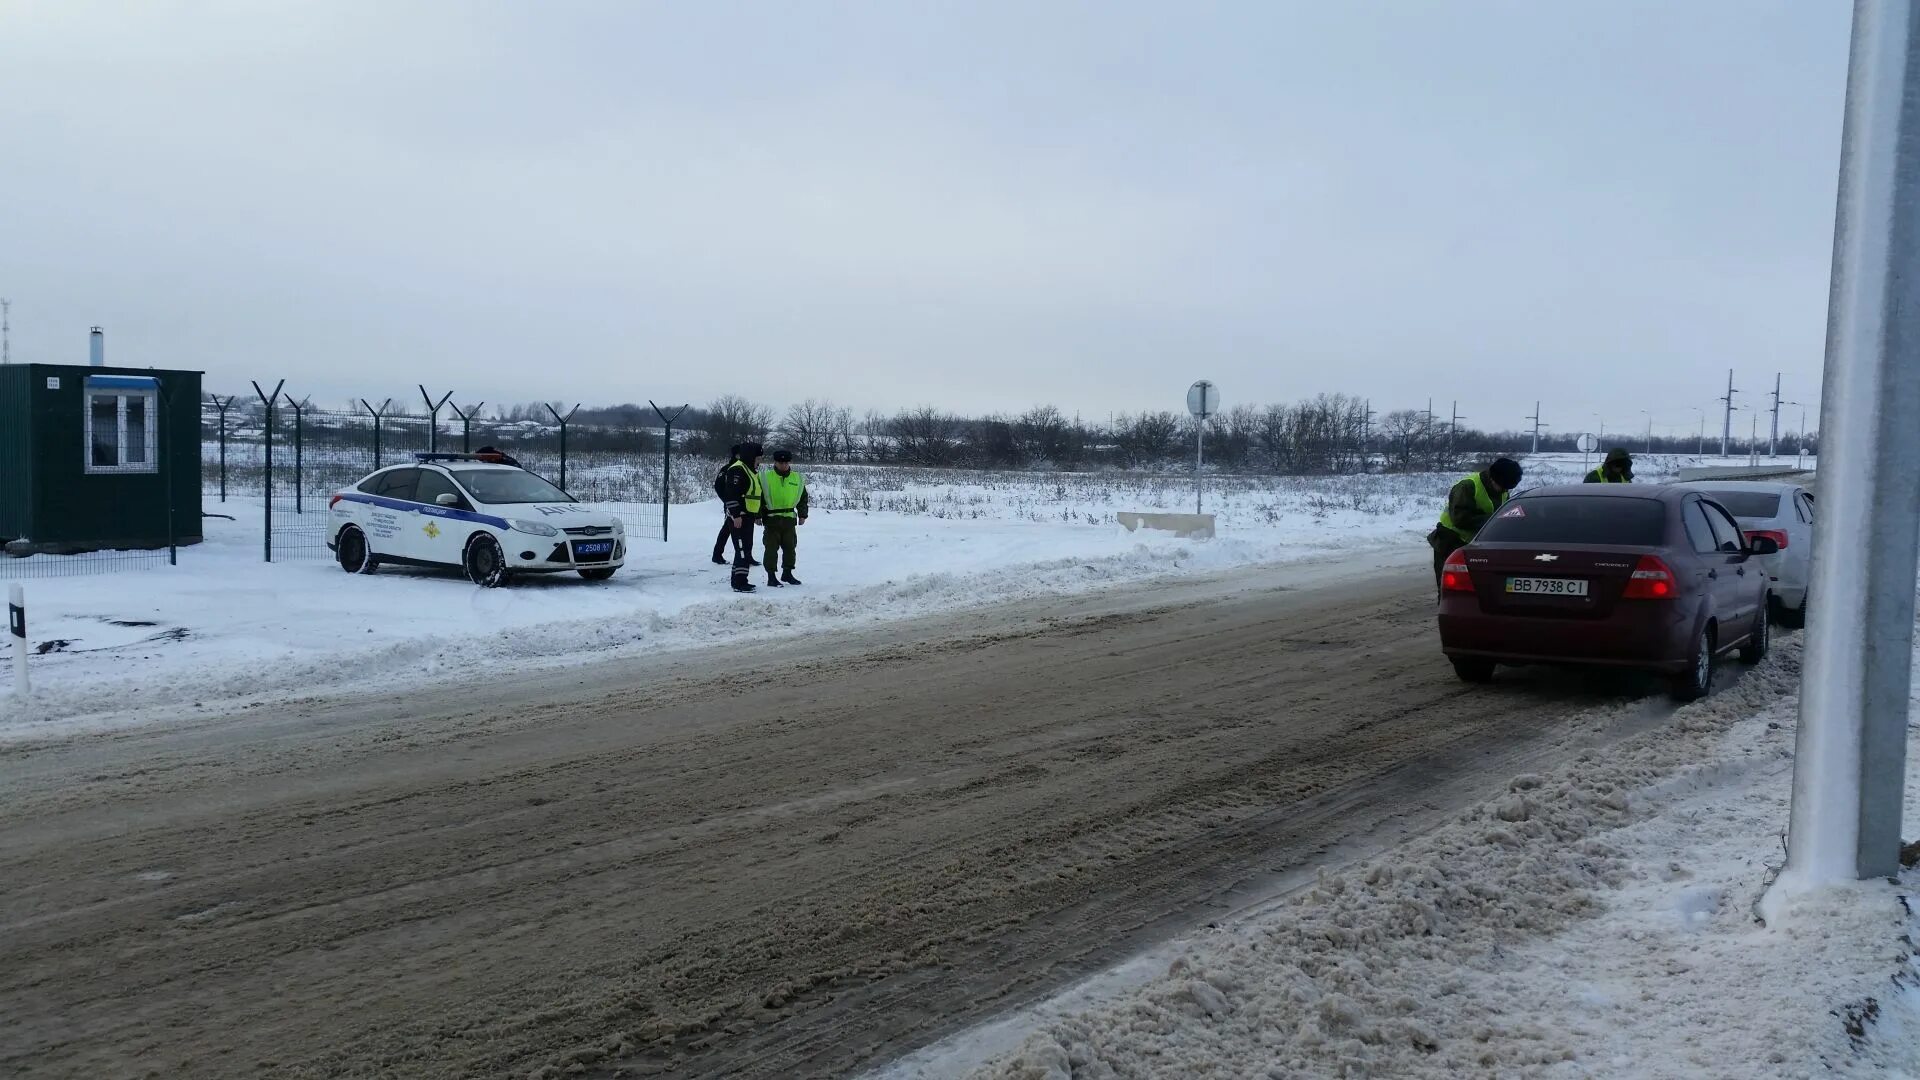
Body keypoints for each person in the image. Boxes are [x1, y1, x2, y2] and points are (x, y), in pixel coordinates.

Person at [1428, 457, 1523, 587]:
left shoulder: (1502, 490)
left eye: (1508, 488)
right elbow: (1460, 519)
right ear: (1493, 478)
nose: (1505, 491)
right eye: (1503, 487)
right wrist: (1493, 521)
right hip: (1449, 542)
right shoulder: (1467, 486)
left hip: (1475, 545)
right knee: (1450, 589)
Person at [713, 442, 765, 592]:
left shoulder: (750, 470)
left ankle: (742, 579)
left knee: (746, 549)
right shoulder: (737, 469)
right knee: (741, 550)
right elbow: (731, 494)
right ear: (751, 456)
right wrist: (736, 514)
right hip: (739, 517)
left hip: (748, 516)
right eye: (758, 457)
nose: (760, 460)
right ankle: (738, 583)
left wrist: (756, 514)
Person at [759, 449, 809, 587]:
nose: (783, 465)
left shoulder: (797, 478)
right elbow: (759, 498)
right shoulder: (764, 477)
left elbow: (803, 497)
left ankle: (787, 573)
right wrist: (757, 516)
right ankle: (771, 576)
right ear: (775, 462)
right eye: (780, 462)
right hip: (771, 519)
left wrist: (803, 514)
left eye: (786, 462)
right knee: (770, 549)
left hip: (789, 519)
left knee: (790, 548)